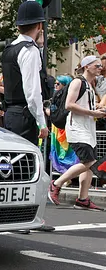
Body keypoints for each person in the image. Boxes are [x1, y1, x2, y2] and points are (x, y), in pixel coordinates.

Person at [48, 56, 106, 210]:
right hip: (77, 129)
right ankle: (56, 184)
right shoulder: (78, 82)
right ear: (87, 66)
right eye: (97, 65)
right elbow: (69, 105)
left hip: (88, 129)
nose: (100, 68)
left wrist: (97, 111)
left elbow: (84, 106)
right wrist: (93, 113)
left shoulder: (89, 84)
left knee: (89, 164)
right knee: (89, 162)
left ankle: (83, 199)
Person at [1, 0, 49, 145]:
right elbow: (32, 92)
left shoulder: (10, 49)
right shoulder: (29, 50)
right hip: (24, 116)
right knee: (25, 164)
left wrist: (39, 46)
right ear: (40, 25)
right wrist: (42, 122)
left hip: (10, 113)